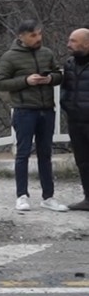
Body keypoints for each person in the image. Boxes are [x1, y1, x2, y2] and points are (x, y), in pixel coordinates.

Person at [0, 20, 67, 212]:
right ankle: (22, 196)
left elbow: (59, 75)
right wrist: (26, 80)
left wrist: (50, 78)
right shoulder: (10, 57)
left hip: (47, 109)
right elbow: (0, 83)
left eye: (39, 34)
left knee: (46, 153)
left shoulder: (47, 53)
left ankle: (48, 197)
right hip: (24, 110)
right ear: (21, 36)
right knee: (23, 153)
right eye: (33, 35)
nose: (38, 38)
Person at [62, 28, 89, 210]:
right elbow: (65, 88)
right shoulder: (70, 64)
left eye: (73, 41)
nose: (68, 45)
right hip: (75, 121)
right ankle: (88, 198)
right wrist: (66, 104)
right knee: (83, 161)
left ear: (86, 43)